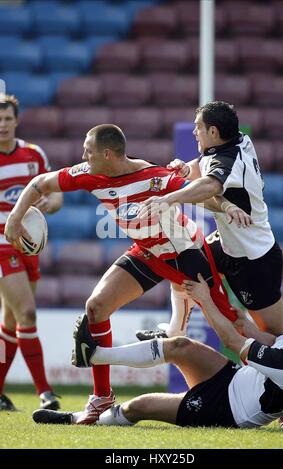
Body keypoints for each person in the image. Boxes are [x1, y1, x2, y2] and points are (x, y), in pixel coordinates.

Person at [4, 124, 251, 424]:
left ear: (107, 154)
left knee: (231, 323)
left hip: (185, 255)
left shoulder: (152, 178)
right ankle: (102, 398)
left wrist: (226, 206)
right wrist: (15, 217)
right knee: (95, 308)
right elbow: (40, 184)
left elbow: (202, 196)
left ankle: (278, 390)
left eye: (88, 150)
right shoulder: (88, 172)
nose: (82, 155)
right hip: (146, 252)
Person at [31, 274, 283, 430]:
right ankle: (98, 354)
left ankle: (81, 417)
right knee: (179, 345)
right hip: (231, 377)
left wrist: (205, 299)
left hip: (228, 410)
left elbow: (231, 341)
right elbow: (263, 336)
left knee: (139, 406)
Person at [137, 101, 283, 340]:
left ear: (214, 132)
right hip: (226, 242)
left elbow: (210, 185)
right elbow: (207, 165)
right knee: (183, 261)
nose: (195, 132)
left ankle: (282, 372)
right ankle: (175, 332)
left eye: (199, 127)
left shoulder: (231, 160)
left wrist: (168, 199)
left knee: (276, 336)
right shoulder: (236, 141)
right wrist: (186, 170)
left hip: (254, 259)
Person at [0, 94, 63, 411]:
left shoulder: (33, 155)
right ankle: (45, 392)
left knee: (11, 321)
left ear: (16, 120)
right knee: (27, 313)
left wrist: (47, 204)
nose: (2, 125)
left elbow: (55, 198)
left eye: (7, 118)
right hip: (0, 248)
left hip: (28, 246)